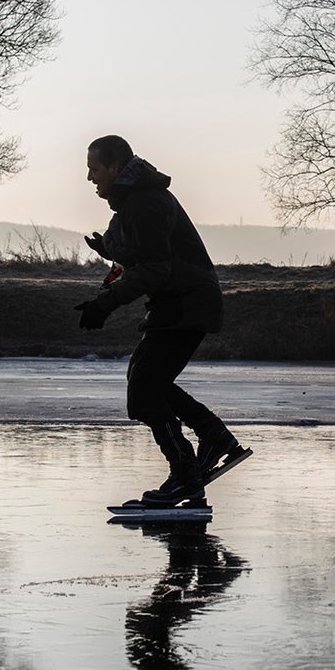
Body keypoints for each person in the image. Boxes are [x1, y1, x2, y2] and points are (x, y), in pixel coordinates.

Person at [75, 135, 248, 506]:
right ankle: (214, 437)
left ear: (116, 167)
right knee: (148, 380)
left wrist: (105, 303)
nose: (90, 177)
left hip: (187, 304)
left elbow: (154, 267)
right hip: (177, 304)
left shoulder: (146, 202)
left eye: (95, 169)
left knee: (144, 388)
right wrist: (109, 251)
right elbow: (141, 254)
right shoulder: (132, 203)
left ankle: (186, 475)